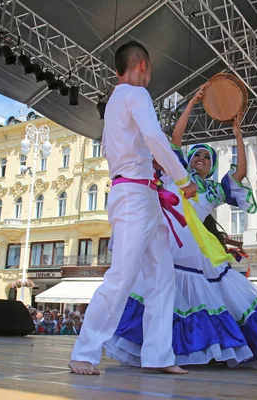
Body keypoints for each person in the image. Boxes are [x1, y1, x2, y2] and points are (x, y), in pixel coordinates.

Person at [103, 85, 257, 369]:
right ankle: (159, 352)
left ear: (212, 165)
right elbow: (176, 138)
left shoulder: (212, 191)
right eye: (197, 154)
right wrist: (193, 102)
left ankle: (199, 351)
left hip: (196, 252)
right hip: (168, 245)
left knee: (199, 299)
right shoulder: (178, 174)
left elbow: (241, 173)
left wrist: (238, 136)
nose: (200, 159)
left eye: (206, 157)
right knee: (160, 296)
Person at [69, 40, 197, 376]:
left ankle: (158, 355)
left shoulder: (114, 102)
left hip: (139, 192)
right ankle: (84, 351)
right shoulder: (136, 95)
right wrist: (183, 179)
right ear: (142, 65)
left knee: (162, 275)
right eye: (150, 70)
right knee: (123, 275)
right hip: (135, 194)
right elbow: (155, 138)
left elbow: (141, 146)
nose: (149, 76)